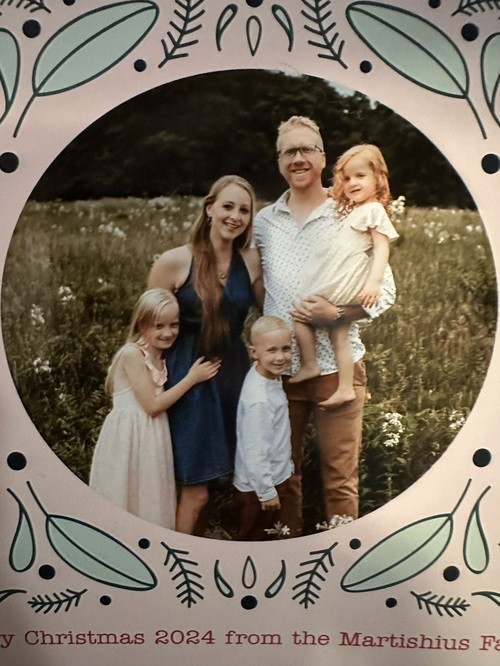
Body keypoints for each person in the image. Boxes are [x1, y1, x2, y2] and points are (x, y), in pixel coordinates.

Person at [253, 116, 396, 536]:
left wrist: (336, 314)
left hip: (338, 369)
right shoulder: (264, 222)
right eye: (289, 151)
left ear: (322, 158)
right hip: (281, 371)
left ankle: (338, 560)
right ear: (279, 162)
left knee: (340, 479)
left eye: (306, 149)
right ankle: (286, 552)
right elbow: (257, 286)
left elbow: (385, 292)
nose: (298, 158)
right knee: (283, 475)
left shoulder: (350, 210)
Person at [148, 175, 264, 535]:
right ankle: (175, 554)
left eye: (244, 210)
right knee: (195, 487)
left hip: (233, 374)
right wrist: (148, 383)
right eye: (227, 206)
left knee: (215, 482)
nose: (235, 216)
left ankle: (197, 548)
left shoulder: (252, 261)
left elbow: (272, 313)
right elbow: (148, 327)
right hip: (189, 372)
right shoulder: (175, 261)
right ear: (209, 208)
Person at [89, 288, 220, 528]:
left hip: (153, 436)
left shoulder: (161, 356)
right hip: (129, 437)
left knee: (149, 498)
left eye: (174, 325)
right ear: (142, 325)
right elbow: (152, 406)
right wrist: (192, 378)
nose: (168, 333)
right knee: (123, 495)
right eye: (158, 326)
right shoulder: (132, 354)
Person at [290, 144, 399, 409]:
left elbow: (382, 248)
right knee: (339, 337)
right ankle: (346, 388)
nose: (352, 183)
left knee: (299, 310)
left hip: (344, 285)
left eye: (360, 176)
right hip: (341, 284)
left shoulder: (374, 209)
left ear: (378, 179)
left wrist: (373, 283)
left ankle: (310, 364)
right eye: (347, 178)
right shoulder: (353, 209)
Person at [233, 316, 293, 541]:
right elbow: (254, 451)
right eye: (272, 350)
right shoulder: (259, 399)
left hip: (272, 477)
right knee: (253, 542)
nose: (280, 357)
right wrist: (266, 492)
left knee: (267, 539)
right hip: (258, 489)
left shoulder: (265, 375)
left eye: (286, 348)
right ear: (254, 352)